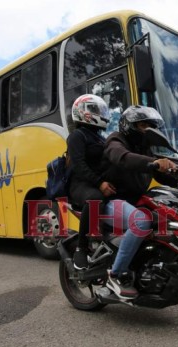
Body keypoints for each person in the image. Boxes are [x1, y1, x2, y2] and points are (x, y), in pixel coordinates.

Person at [102, 105, 178, 298]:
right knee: (141, 222)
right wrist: (153, 163)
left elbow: (161, 174)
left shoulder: (144, 149)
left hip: (134, 201)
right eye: (143, 125)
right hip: (112, 201)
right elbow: (122, 158)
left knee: (167, 216)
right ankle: (116, 274)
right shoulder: (116, 140)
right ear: (129, 125)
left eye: (150, 127)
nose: (147, 131)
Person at [67, 94, 117, 269]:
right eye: (95, 110)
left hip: (98, 182)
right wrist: (100, 183)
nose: (100, 114)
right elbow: (79, 165)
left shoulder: (101, 138)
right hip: (81, 185)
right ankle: (82, 247)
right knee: (95, 199)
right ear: (83, 112)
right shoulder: (77, 136)